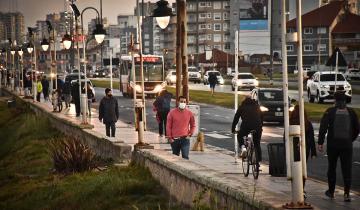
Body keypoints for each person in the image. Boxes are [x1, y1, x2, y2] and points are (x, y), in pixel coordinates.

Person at [318, 91, 359, 202]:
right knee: (347, 169)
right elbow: (357, 128)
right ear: (345, 100)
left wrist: (320, 142)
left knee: (332, 168)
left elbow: (323, 127)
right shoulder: (351, 112)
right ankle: (346, 194)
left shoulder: (330, 111)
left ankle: (331, 192)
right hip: (347, 145)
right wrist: (350, 139)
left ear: (335, 100)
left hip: (333, 145)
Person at [289, 104, 317, 198]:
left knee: (294, 169)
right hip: (305, 149)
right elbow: (312, 139)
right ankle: (302, 189)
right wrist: (313, 152)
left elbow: (285, 137)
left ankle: (295, 187)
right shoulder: (307, 123)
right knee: (302, 169)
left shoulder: (290, 122)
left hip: (293, 149)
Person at [231, 96, 263, 165]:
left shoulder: (242, 106)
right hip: (257, 126)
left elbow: (236, 118)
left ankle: (243, 148)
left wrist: (233, 129)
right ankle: (258, 159)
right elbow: (262, 116)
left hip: (246, 126)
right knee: (257, 143)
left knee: (240, 135)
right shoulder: (257, 105)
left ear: (244, 100)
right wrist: (261, 126)